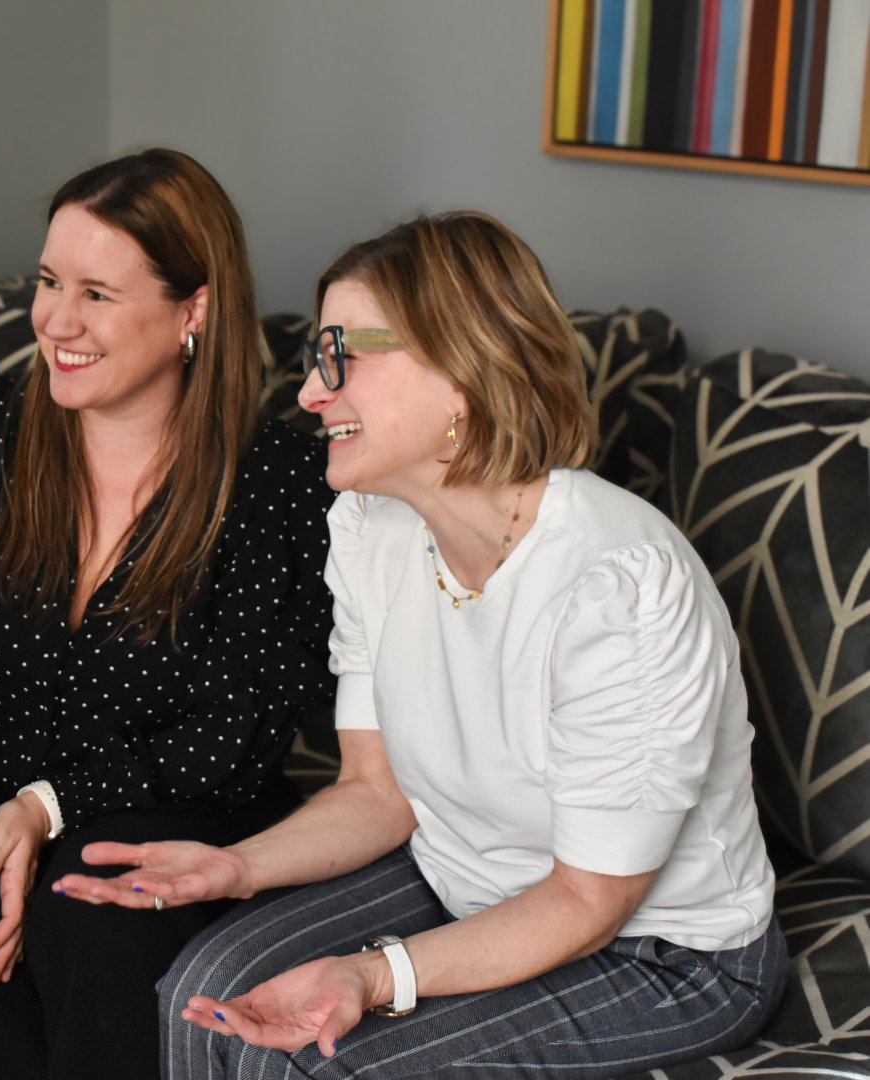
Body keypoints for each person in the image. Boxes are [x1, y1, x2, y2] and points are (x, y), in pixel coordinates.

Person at [54, 211, 785, 1079]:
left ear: (464, 369)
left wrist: (373, 976)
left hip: (662, 955)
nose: (309, 394)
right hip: (460, 879)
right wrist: (233, 867)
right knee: (203, 997)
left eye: (342, 358)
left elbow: (590, 899)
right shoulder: (371, 527)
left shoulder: (618, 587)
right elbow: (376, 791)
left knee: (316, 1064)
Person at [0, 148, 335, 1080]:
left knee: (96, 911)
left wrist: (49, 809)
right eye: (48, 281)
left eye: (98, 294)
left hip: (171, 802)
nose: (56, 320)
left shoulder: (277, 483)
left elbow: (235, 735)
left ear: (193, 309)